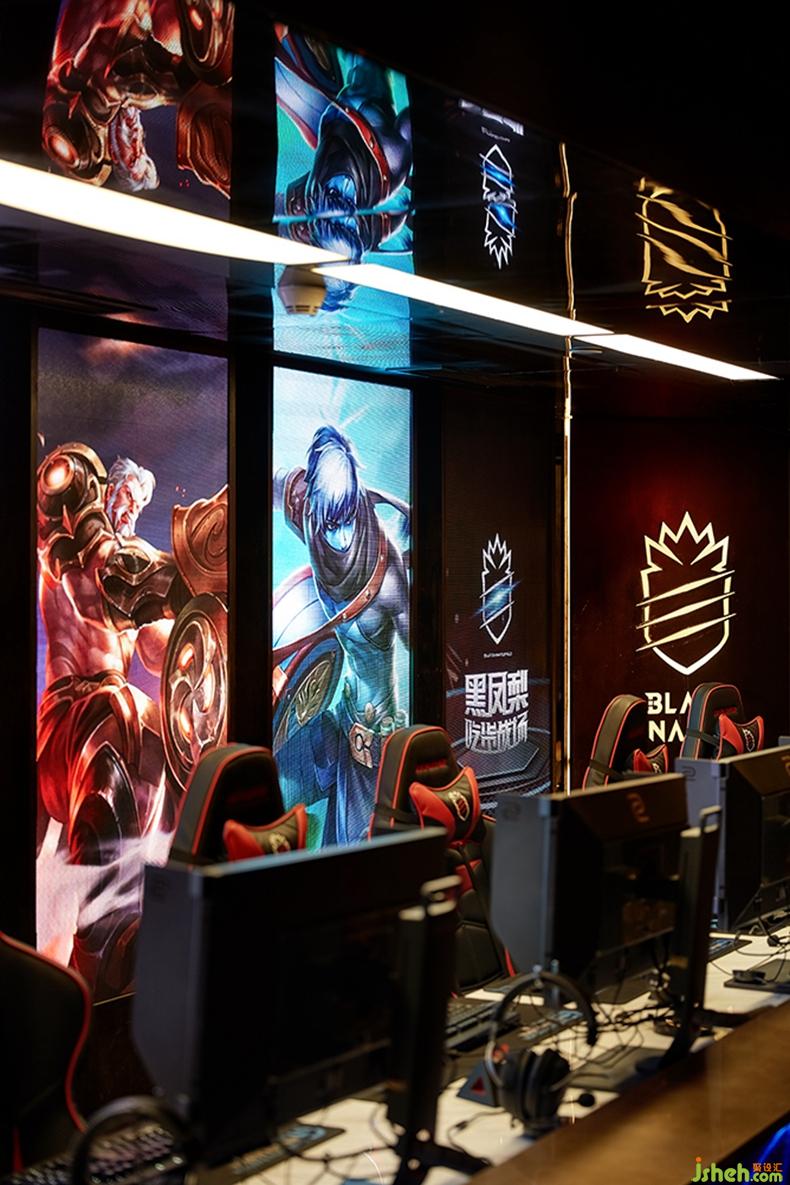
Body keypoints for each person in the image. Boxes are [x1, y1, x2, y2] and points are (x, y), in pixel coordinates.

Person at [37, 444, 188, 996]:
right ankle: (97, 959)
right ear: (104, 492)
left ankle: (123, 944)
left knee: (159, 729)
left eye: (139, 503)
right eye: (125, 496)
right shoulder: (68, 549)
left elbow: (160, 649)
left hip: (104, 721)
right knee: (121, 712)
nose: (131, 509)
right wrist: (183, 582)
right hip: (67, 718)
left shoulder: (124, 565)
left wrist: (205, 635)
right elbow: (97, 594)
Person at [273, 426, 409, 842]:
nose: (342, 536)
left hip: (375, 736)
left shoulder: (387, 577)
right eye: (332, 522)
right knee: (268, 784)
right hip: (340, 716)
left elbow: (432, 654)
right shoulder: (312, 519)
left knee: (356, 847)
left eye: (347, 519)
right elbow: (270, 481)